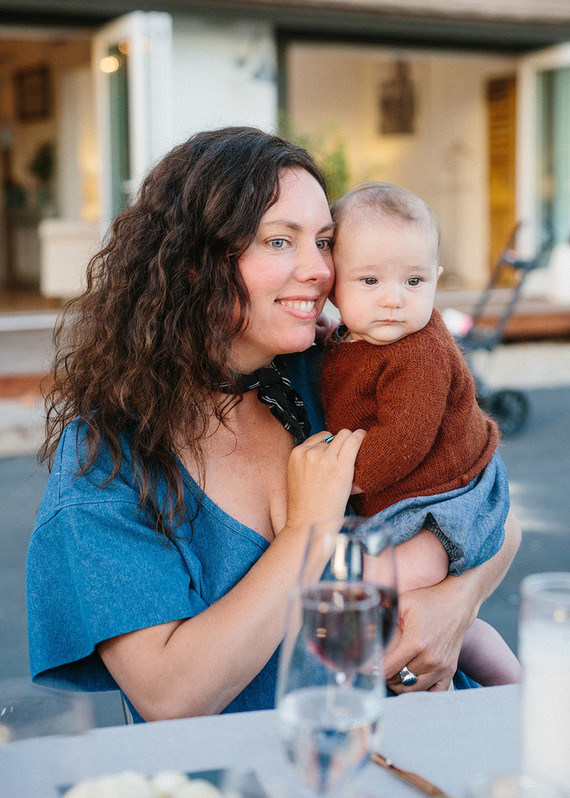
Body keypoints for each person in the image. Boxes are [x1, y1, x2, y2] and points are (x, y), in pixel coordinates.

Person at [26, 128, 521, 722]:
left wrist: (455, 603)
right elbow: (170, 696)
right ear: (193, 264)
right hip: (264, 764)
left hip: (425, 750)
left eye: (324, 242)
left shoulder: (334, 372)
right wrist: (308, 531)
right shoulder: (109, 456)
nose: (319, 270)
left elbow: (495, 514)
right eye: (280, 241)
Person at [321, 181, 521, 686]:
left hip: (448, 498)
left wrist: (343, 483)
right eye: (369, 280)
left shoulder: (419, 352)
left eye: (413, 281)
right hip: (414, 497)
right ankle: (498, 686)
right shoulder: (351, 336)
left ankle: (508, 690)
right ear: (333, 285)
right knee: (431, 615)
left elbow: (403, 440)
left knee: (383, 582)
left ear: (435, 279)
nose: (393, 299)